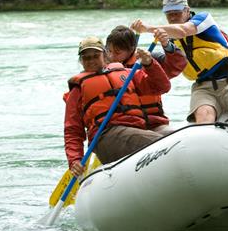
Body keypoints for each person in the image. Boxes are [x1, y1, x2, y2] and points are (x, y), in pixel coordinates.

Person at [131, 0, 228, 123]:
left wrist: (147, 28)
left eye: (177, 12)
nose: (173, 17)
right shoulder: (168, 37)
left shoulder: (204, 19)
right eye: (169, 14)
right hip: (202, 87)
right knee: (204, 115)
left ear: (187, 10)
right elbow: (172, 65)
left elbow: (183, 30)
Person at [63, 36, 172, 177]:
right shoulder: (78, 89)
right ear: (81, 61)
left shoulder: (126, 73)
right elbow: (72, 129)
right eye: (86, 58)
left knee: (176, 137)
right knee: (162, 143)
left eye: (96, 56)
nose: (91, 61)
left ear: (105, 55)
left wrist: (150, 63)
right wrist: (75, 159)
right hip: (105, 137)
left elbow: (162, 86)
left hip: (136, 129)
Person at [105, 25, 186, 135]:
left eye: (117, 53)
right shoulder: (105, 68)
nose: (112, 56)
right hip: (124, 126)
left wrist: (166, 45)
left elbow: (177, 65)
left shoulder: (148, 60)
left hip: (154, 123)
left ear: (131, 49)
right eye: (109, 51)